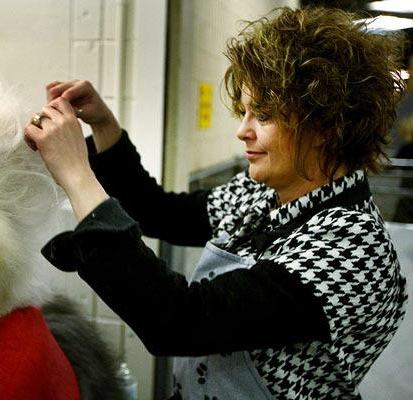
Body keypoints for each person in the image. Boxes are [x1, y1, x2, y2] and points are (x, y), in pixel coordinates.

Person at [23, 7, 408, 400]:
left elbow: (181, 321)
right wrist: (103, 126)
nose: (243, 130)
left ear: (327, 126)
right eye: (244, 112)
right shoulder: (265, 194)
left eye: (265, 115)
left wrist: (76, 173)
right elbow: (162, 213)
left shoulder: (352, 247)